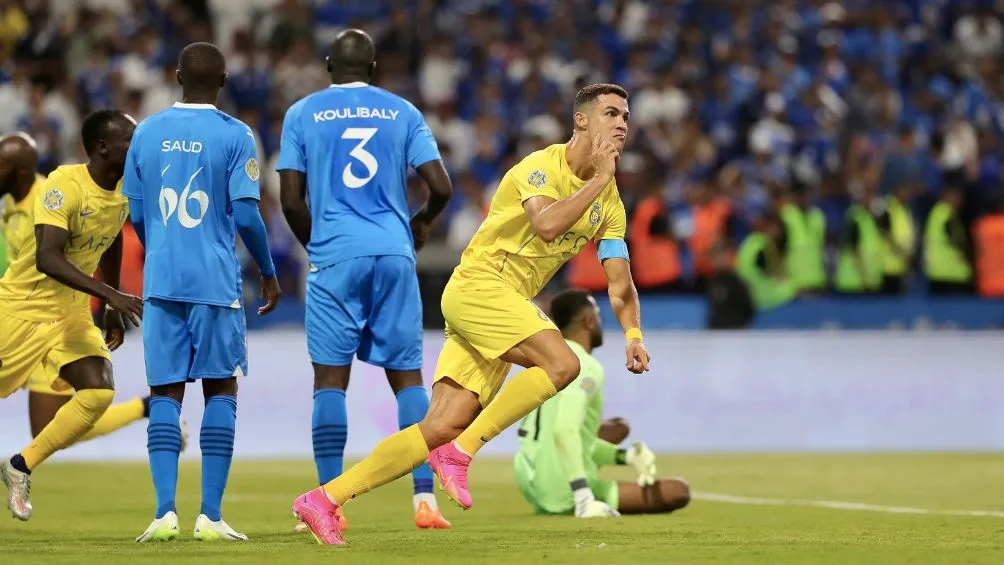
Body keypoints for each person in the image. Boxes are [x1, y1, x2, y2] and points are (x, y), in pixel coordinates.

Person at [293, 82, 651, 545]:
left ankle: (323, 499)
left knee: (440, 424)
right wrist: (601, 179)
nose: (621, 123)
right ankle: (462, 453)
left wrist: (634, 334)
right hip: (479, 286)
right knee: (563, 364)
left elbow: (620, 284)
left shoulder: (611, 205)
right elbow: (546, 226)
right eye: (610, 113)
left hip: (505, 308)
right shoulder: (540, 167)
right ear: (581, 120)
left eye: (625, 115)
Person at [277, 28, 453, 531]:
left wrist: (320, 244)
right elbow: (441, 186)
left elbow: (291, 200)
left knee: (330, 381)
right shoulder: (403, 111)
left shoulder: (303, 113)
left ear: (329, 65)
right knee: (407, 380)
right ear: (373, 69)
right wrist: (421, 222)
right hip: (394, 252)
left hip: (336, 255)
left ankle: (328, 504)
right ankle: (425, 500)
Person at [124, 42, 281, 542]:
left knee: (165, 393)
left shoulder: (144, 132)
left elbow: (138, 215)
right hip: (215, 282)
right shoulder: (236, 135)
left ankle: (164, 513)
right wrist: (270, 271)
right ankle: (210, 517)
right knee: (220, 389)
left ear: (175, 76)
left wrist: (164, 251)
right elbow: (251, 215)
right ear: (224, 80)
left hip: (162, 282)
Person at [0, 111, 144, 522]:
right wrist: (110, 293)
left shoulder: (123, 192)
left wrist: (110, 311)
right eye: (130, 142)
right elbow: (47, 257)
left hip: (71, 313)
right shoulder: (65, 183)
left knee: (99, 391)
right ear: (103, 147)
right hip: (21, 310)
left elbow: (113, 238)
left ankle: (20, 466)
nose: (137, 150)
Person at [0, 133, 173, 450]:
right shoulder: (10, 203)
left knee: (50, 426)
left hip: (52, 319)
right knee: (48, 430)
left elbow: (68, 252)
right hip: (17, 313)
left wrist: (109, 296)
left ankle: (146, 407)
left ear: (20, 170)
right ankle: (145, 407)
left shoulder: (52, 196)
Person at [515, 289, 690, 517]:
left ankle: (572, 490)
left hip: (530, 479)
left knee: (617, 427)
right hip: (561, 488)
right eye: (598, 316)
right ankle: (582, 497)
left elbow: (568, 436)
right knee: (678, 491)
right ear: (588, 320)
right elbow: (565, 431)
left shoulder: (544, 362)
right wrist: (582, 494)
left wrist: (626, 457)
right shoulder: (583, 365)